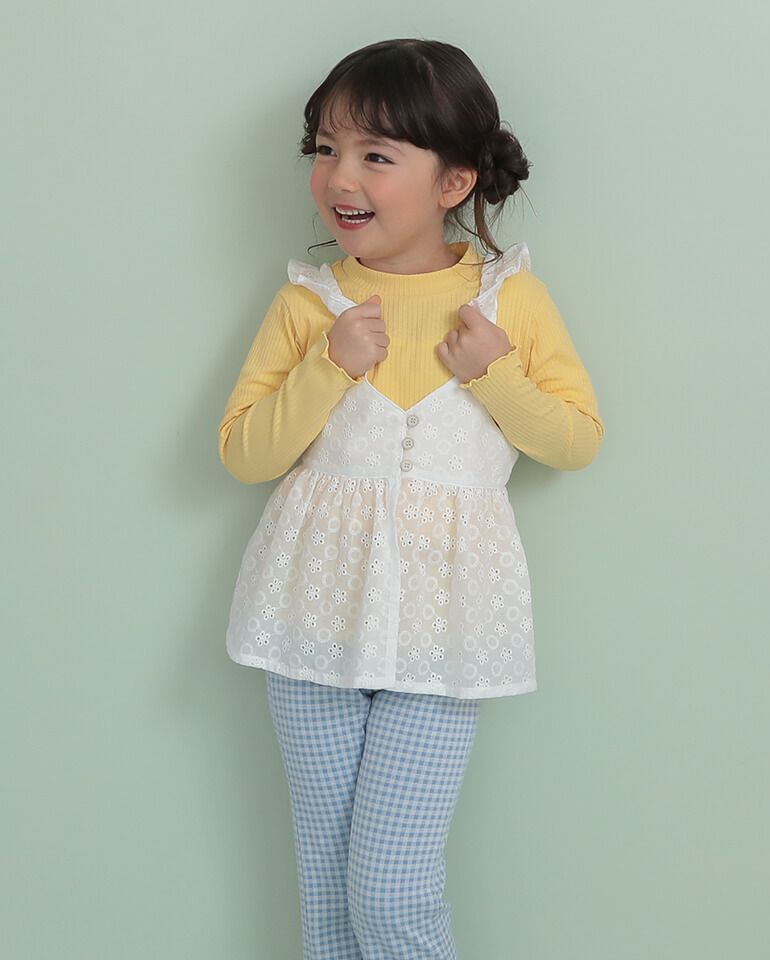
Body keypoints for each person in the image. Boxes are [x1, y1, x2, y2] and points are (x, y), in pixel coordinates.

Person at [218, 38, 604, 960]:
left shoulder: (509, 301)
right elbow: (245, 454)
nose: (340, 176)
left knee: (390, 890)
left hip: (444, 632)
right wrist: (328, 367)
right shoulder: (310, 304)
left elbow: (574, 440)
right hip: (307, 620)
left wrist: (496, 375)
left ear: (454, 181)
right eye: (325, 149)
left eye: (376, 154)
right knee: (327, 889)